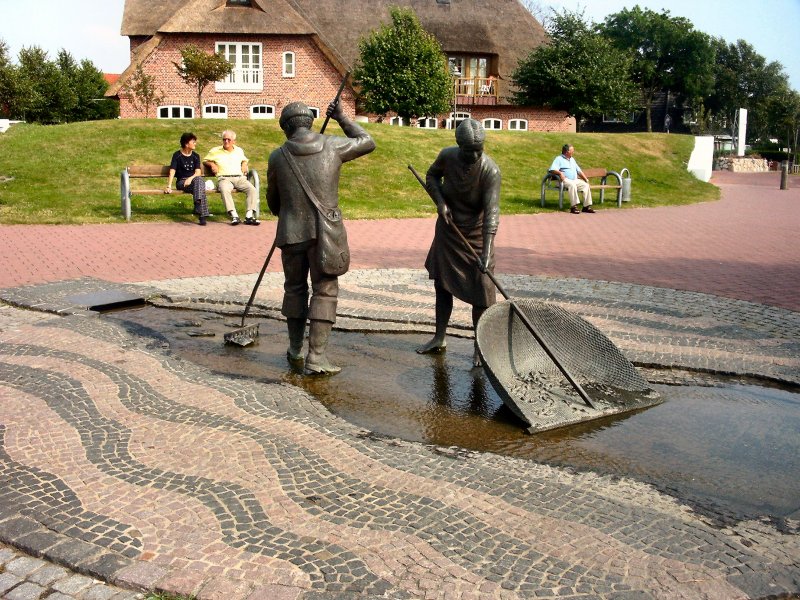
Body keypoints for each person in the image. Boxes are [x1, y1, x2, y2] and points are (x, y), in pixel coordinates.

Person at [267, 100, 375, 375]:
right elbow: (367, 140)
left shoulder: (277, 156)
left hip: (291, 233)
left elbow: (272, 203)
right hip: (326, 233)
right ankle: (316, 356)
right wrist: (341, 117)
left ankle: (294, 350)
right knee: (324, 291)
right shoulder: (333, 145)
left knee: (294, 289)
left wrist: (290, 211)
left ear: (286, 128)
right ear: (309, 122)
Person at [416, 118, 501, 367]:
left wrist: (486, 251)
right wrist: (440, 202)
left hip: (476, 234)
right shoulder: (448, 156)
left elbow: (492, 212)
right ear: (458, 145)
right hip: (449, 230)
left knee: (482, 291)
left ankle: (480, 348)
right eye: (468, 150)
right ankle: (439, 337)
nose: (474, 154)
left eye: (479, 149)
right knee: (442, 284)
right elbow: (431, 177)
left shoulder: (490, 171)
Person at [203, 130, 260, 225]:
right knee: (225, 189)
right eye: (224, 139)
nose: (226, 142)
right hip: (224, 179)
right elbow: (205, 160)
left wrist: (244, 164)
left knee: (252, 189)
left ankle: (249, 216)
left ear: (234, 141)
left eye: (229, 140)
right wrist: (212, 164)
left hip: (239, 178)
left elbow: (244, 159)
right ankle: (234, 215)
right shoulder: (215, 150)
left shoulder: (239, 150)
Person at [164, 132, 210, 226]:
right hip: (182, 183)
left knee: (199, 180)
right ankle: (202, 215)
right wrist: (169, 186)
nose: (195, 143)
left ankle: (198, 204)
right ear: (186, 144)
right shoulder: (177, 155)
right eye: (193, 142)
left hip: (193, 181)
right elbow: (172, 171)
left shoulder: (196, 156)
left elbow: (198, 173)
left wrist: (190, 178)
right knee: (200, 184)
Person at [549, 144, 595, 214]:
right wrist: (560, 173)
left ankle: (586, 207)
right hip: (563, 180)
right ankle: (574, 207)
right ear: (567, 152)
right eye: (572, 150)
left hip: (574, 180)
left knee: (585, 185)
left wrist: (586, 179)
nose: (573, 151)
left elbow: (579, 171)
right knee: (572, 184)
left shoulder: (572, 159)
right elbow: (552, 169)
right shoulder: (559, 159)